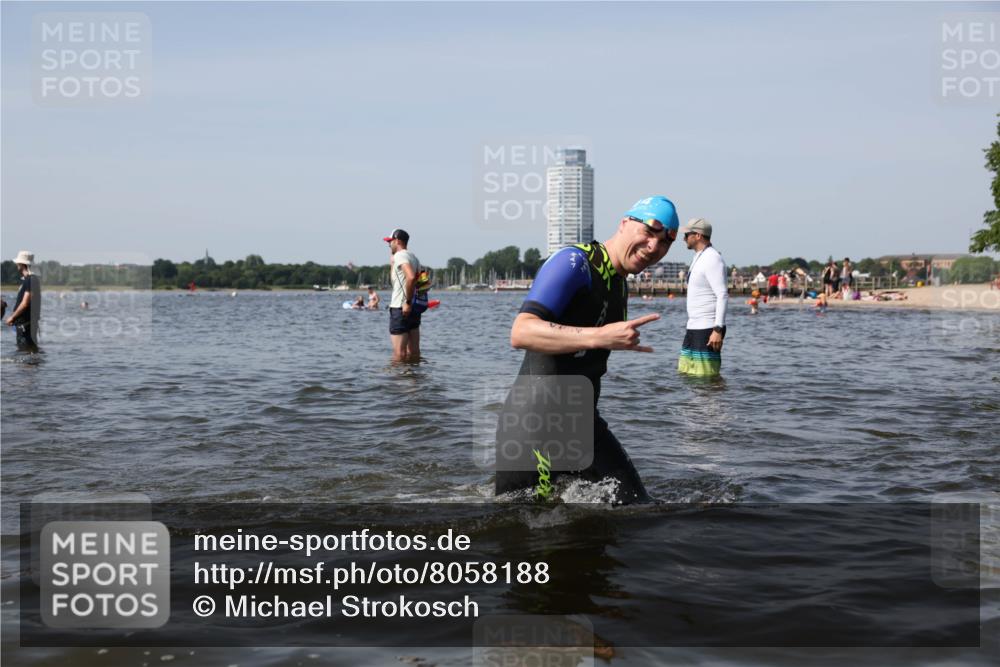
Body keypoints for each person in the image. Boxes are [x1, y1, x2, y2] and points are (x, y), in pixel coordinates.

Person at [494, 195, 680, 504]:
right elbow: (521, 331)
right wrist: (599, 337)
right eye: (649, 231)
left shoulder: (620, 283)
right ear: (624, 223)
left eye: (665, 242)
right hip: (535, 426)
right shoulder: (574, 263)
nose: (654, 246)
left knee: (637, 507)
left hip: (582, 424)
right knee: (525, 529)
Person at [678, 218, 728, 377]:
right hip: (693, 326)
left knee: (705, 377)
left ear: (698, 235)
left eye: (687, 234)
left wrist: (717, 329)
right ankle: (692, 403)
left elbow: (722, 294)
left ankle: (713, 403)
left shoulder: (712, 258)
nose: (683, 238)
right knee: (686, 373)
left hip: (708, 328)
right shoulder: (699, 257)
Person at [384, 228, 422, 362]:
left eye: (390, 242)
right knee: (414, 351)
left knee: (399, 354)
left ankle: (397, 382)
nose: (389, 245)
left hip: (401, 307)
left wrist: (406, 302)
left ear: (397, 241)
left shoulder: (399, 256)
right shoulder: (414, 257)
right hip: (413, 308)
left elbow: (411, 277)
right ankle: (413, 380)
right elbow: (423, 282)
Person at [5, 250, 41, 352]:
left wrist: (12, 317)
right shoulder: (29, 280)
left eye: (18, 262)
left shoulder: (31, 280)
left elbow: (25, 303)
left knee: (26, 355)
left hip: (25, 326)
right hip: (25, 325)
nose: (16, 264)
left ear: (22, 264)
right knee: (28, 354)